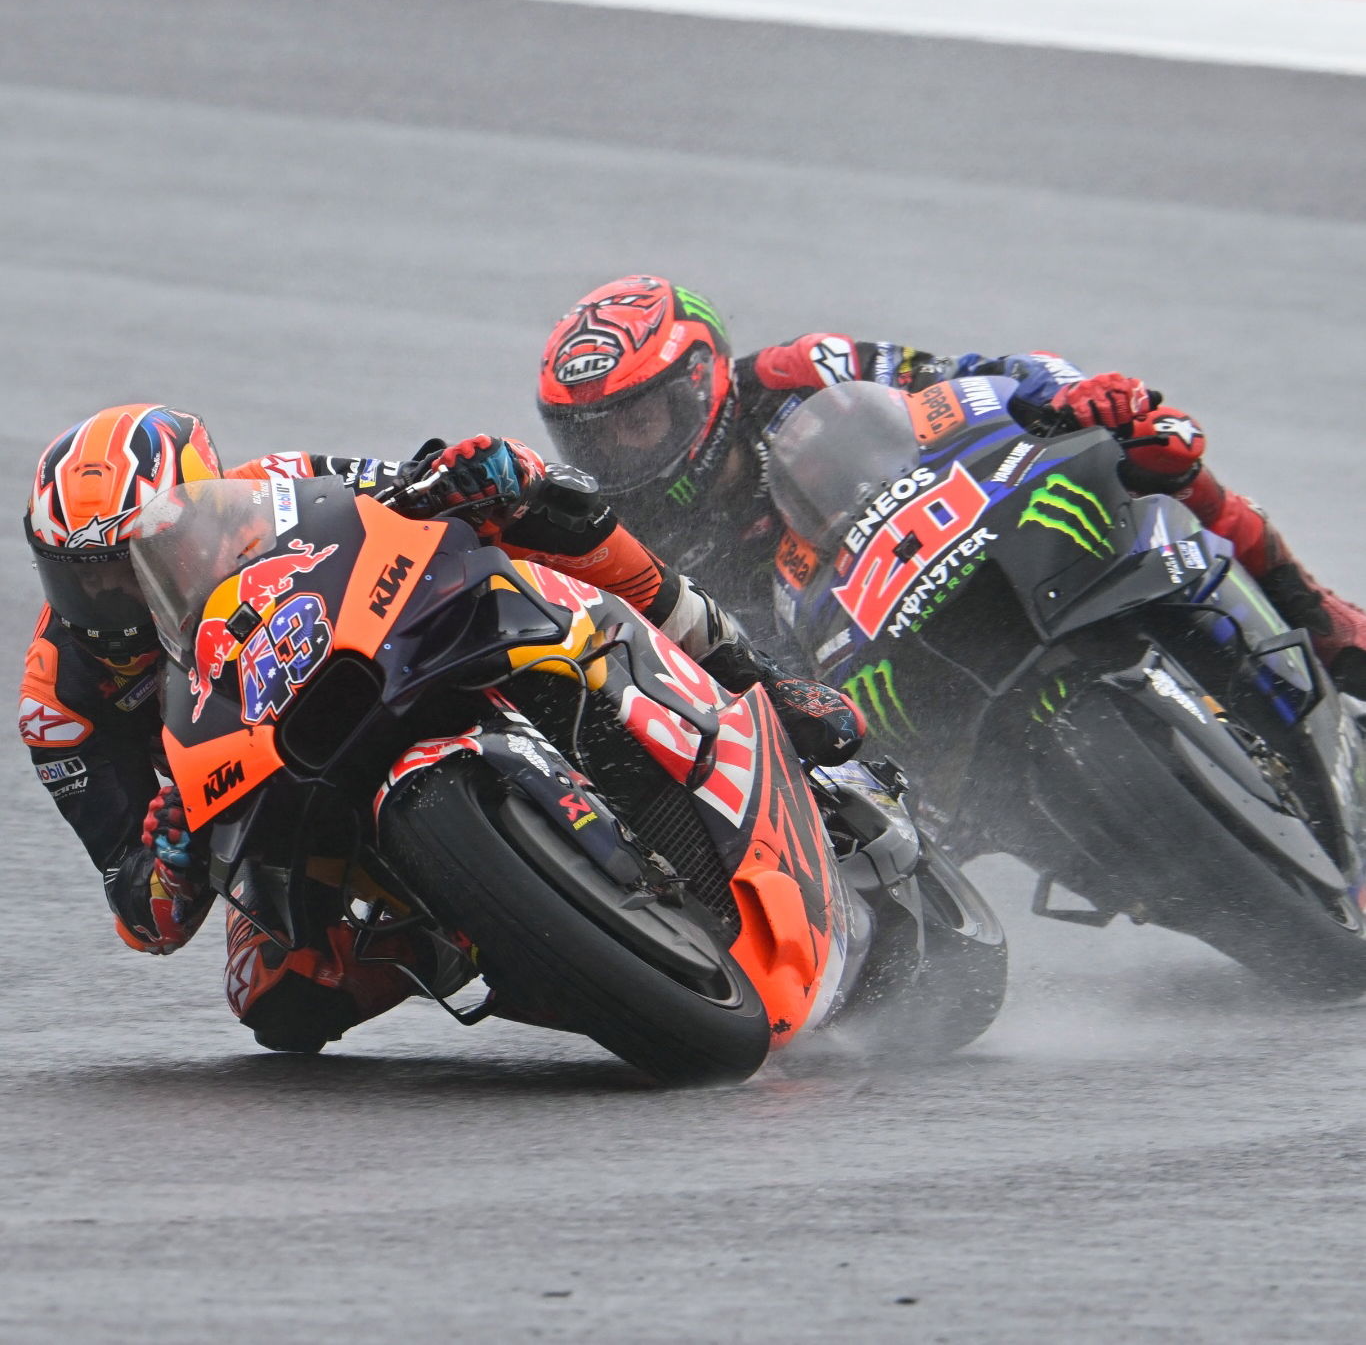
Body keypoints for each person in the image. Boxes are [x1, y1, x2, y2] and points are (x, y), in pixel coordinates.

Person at [20, 404, 863, 1053]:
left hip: (377, 664)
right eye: (84, 583)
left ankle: (754, 680)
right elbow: (142, 917)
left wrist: (473, 474)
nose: (112, 603)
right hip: (260, 780)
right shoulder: (59, 701)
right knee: (278, 1000)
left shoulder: (273, 489)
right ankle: (490, 933)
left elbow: (421, 488)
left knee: (543, 508)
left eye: (131, 570)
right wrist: (167, 860)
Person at [536, 275, 1366, 695]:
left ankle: (1316, 615)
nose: (621, 453)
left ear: (698, 382)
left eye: (636, 421)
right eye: (596, 437)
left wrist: (1070, 396)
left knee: (1151, 451)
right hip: (844, 676)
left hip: (935, 545)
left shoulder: (799, 373)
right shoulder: (620, 533)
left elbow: (975, 381)